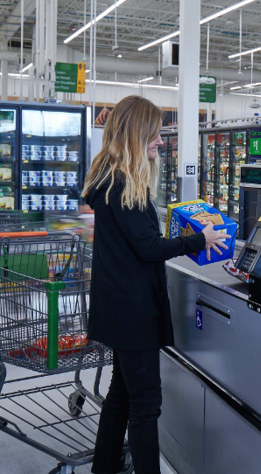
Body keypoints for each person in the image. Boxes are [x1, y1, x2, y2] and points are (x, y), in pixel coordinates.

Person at [83, 95, 230, 474]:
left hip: (118, 306)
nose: (161, 142)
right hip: (132, 311)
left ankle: (105, 468)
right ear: (135, 133)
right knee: (145, 404)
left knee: (121, 394)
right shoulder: (123, 186)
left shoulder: (110, 179)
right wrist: (201, 239)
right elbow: (149, 247)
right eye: (155, 134)